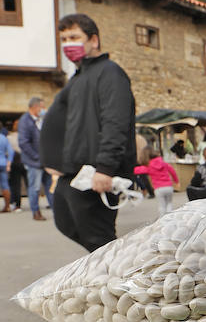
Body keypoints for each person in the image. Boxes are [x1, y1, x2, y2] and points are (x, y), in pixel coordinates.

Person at [40, 13, 136, 252]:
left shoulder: (109, 72)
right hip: (72, 170)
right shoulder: (79, 77)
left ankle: (121, 280)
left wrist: (105, 167)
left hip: (94, 172)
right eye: (63, 39)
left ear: (93, 40)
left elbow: (116, 121)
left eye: (73, 37)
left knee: (98, 238)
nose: (67, 44)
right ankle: (106, 269)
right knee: (65, 220)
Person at [17, 96, 49, 220]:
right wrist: (36, 157)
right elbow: (24, 143)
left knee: (49, 186)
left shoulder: (41, 120)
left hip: (45, 161)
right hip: (34, 162)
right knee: (35, 187)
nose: (44, 109)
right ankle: (36, 212)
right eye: (42, 107)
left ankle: (57, 212)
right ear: (35, 107)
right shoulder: (25, 121)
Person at [134, 147, 178, 214]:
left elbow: (137, 170)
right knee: (169, 203)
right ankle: (170, 217)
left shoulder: (149, 166)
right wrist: (176, 181)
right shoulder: (163, 163)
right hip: (169, 187)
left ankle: (163, 219)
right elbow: (172, 171)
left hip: (159, 188)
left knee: (162, 205)